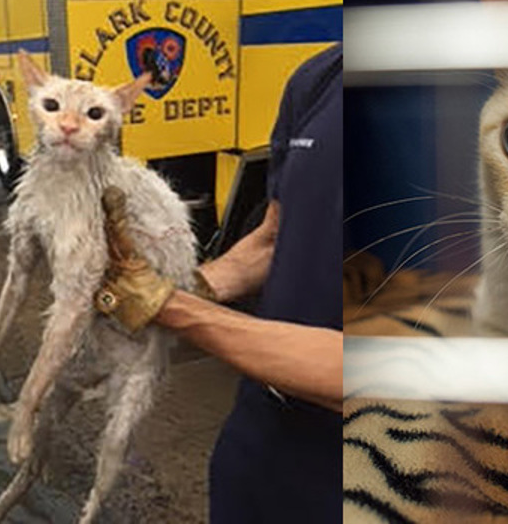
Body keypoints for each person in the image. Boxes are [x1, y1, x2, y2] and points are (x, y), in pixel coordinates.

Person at [95, 43, 343, 523]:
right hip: (259, 443)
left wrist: (169, 306)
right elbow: (273, 240)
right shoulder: (320, 77)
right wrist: (176, 283)